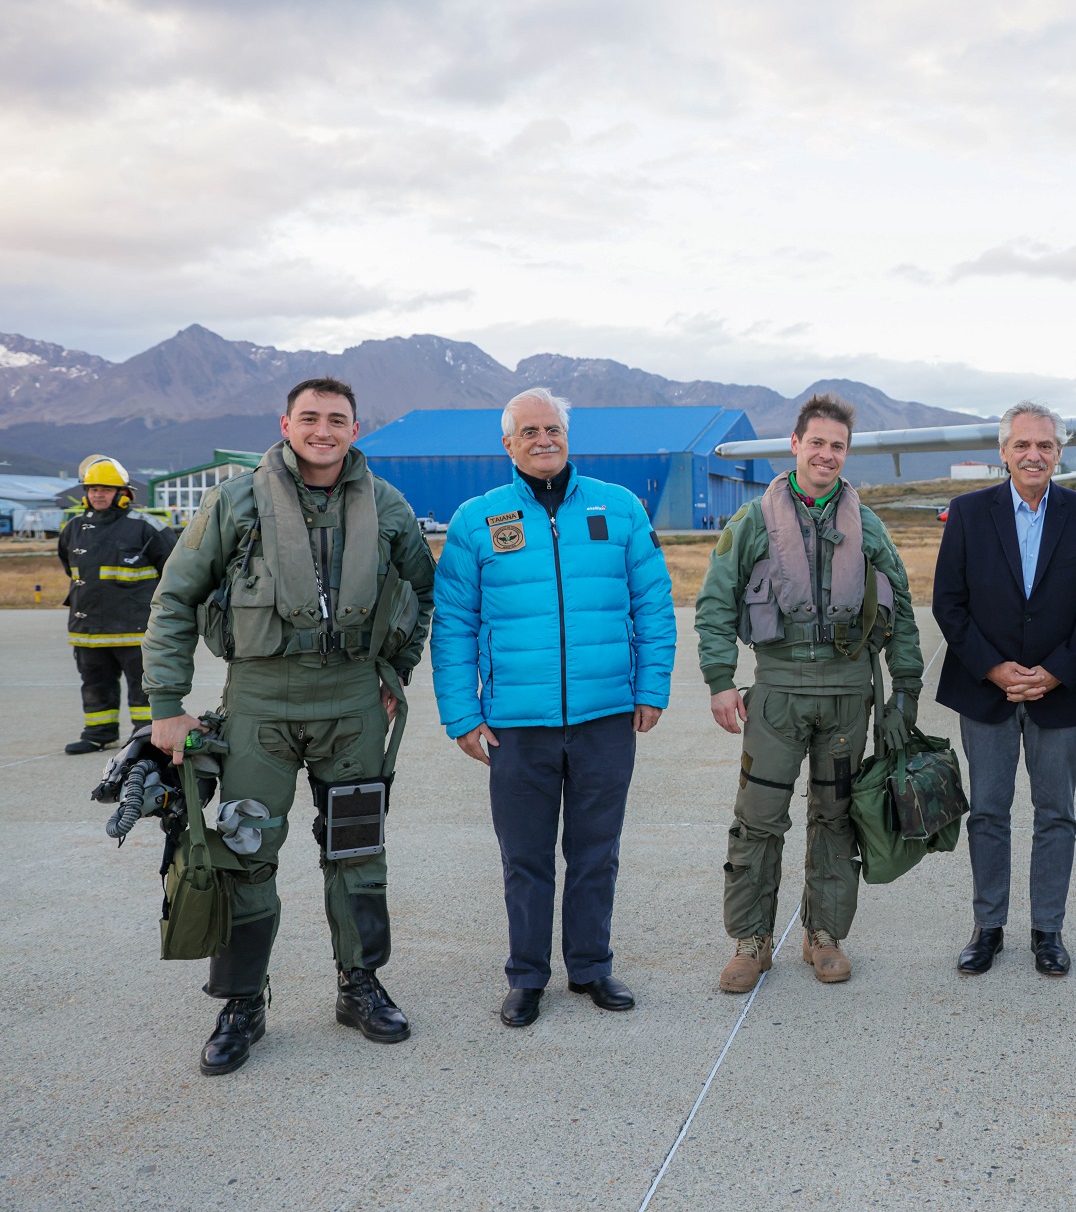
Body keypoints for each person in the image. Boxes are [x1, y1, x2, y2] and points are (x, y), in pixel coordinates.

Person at [144, 378, 435, 1076]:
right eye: (311, 417)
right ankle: (243, 1000)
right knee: (244, 849)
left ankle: (358, 983)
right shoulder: (236, 500)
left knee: (358, 849)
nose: (323, 430)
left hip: (352, 704)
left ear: (355, 428)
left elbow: (421, 589)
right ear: (286, 423)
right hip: (260, 705)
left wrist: (394, 670)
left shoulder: (387, 505)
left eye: (337, 419)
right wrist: (165, 703)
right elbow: (177, 595)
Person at [431, 388, 675, 1028]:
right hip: (517, 725)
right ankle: (527, 975)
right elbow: (453, 622)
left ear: (569, 436)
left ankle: (591, 966)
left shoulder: (617, 508)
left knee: (597, 851)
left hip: (604, 718)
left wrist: (651, 687)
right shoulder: (477, 520)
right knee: (526, 857)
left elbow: (652, 604)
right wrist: (462, 713)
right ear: (507, 444)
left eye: (554, 429)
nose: (544, 440)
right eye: (530, 431)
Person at [695, 393, 923, 993]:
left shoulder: (867, 526)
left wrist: (906, 695)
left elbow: (900, 615)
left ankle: (824, 936)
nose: (826, 454)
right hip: (777, 694)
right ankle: (751, 941)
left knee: (836, 818)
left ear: (847, 455)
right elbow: (715, 604)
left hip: (849, 695)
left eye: (838, 446)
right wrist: (721, 681)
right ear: (795, 445)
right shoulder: (752, 522)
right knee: (758, 819)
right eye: (816, 442)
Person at [932, 403, 1076, 978]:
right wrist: (993, 668)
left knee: (1055, 812)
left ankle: (1047, 931)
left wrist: (1056, 670)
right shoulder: (967, 513)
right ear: (1003, 452)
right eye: (1022, 445)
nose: (1033, 455)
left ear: (1059, 453)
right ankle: (988, 927)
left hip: (1059, 692)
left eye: (1045, 446)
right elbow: (949, 603)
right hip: (986, 691)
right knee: (987, 811)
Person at [57, 454, 174, 753]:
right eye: (92, 489)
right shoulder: (73, 528)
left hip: (135, 630)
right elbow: (70, 567)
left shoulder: (147, 527)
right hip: (88, 628)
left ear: (123, 494)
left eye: (105, 489)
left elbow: (175, 571)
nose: (97, 494)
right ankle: (99, 733)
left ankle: (146, 737)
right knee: (95, 685)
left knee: (143, 688)